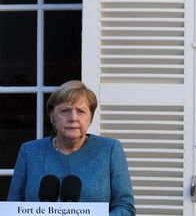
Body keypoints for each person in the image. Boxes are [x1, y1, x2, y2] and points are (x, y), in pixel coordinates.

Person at [7, 81, 136, 215]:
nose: (73, 118)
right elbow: (13, 206)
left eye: (81, 111)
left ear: (90, 117)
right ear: (52, 117)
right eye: (65, 111)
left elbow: (125, 207)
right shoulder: (29, 152)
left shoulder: (110, 150)